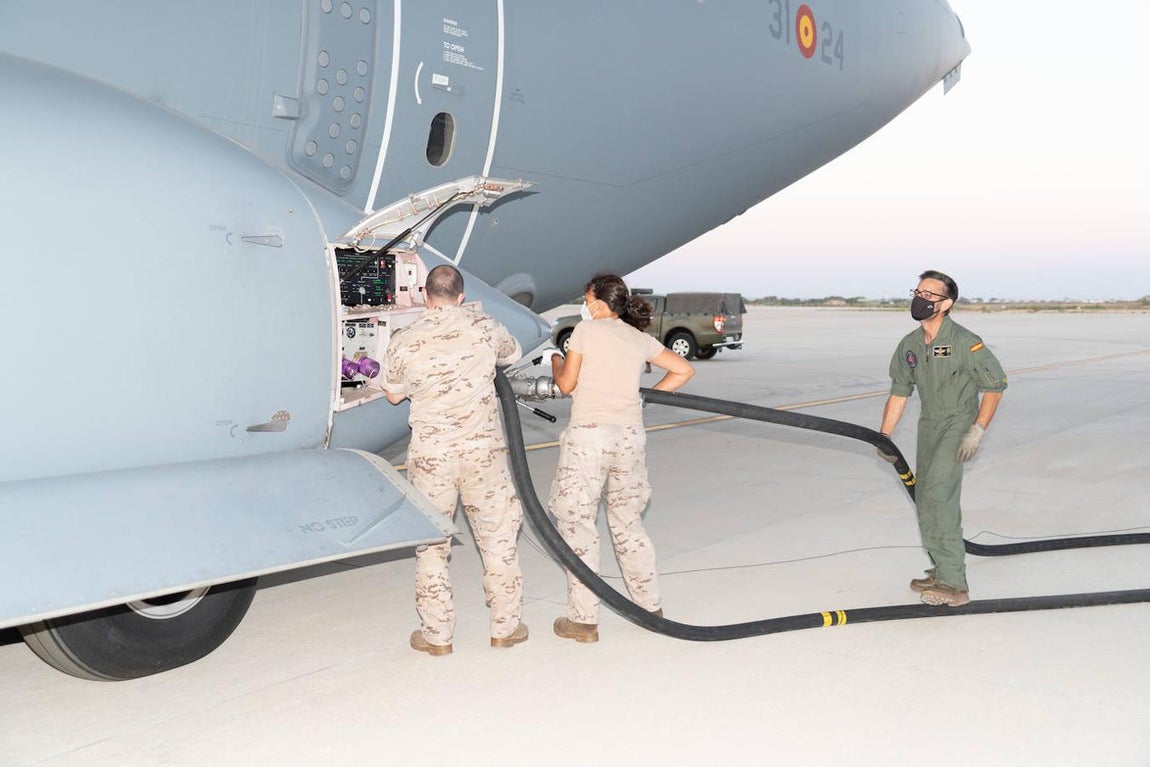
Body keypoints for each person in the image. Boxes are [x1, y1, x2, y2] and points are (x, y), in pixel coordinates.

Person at [383, 264, 528, 655]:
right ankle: (505, 627)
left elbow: (394, 394)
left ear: (425, 296)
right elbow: (512, 353)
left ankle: (437, 636)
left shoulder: (405, 339)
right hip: (483, 454)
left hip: (433, 457)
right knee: (497, 539)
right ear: (461, 296)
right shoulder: (485, 327)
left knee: (432, 545)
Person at [548, 273, 695, 642]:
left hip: (589, 437)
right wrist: (646, 398)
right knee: (627, 523)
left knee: (579, 523)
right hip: (630, 437)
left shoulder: (585, 331)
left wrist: (554, 360)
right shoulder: (637, 338)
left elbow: (566, 384)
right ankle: (650, 609)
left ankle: (582, 621)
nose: (585, 305)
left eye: (586, 298)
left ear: (598, 302)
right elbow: (683, 369)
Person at [878, 270, 1007, 607]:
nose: (919, 299)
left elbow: (995, 386)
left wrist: (977, 430)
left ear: (946, 304)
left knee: (939, 495)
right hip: (929, 425)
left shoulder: (965, 342)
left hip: (958, 423)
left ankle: (955, 583)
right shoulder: (909, 345)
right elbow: (899, 393)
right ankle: (940, 568)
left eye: (929, 295)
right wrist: (884, 437)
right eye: (917, 292)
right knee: (924, 498)